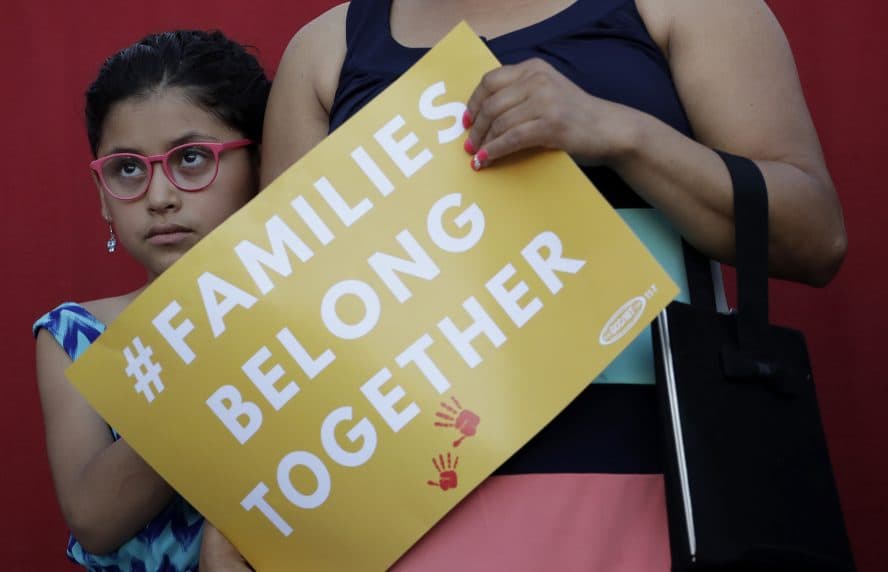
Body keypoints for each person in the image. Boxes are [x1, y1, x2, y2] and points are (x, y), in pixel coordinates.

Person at [257, 0, 848, 569]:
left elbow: (815, 237)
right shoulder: (324, 51)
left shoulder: (683, 7)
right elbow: (285, 333)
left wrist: (622, 134)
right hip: (402, 517)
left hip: (665, 498)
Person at [32, 30, 267, 572]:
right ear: (102, 199)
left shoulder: (329, 303)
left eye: (191, 158)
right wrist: (214, 366)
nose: (159, 198)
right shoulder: (76, 335)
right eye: (129, 169)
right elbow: (94, 520)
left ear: (259, 165)